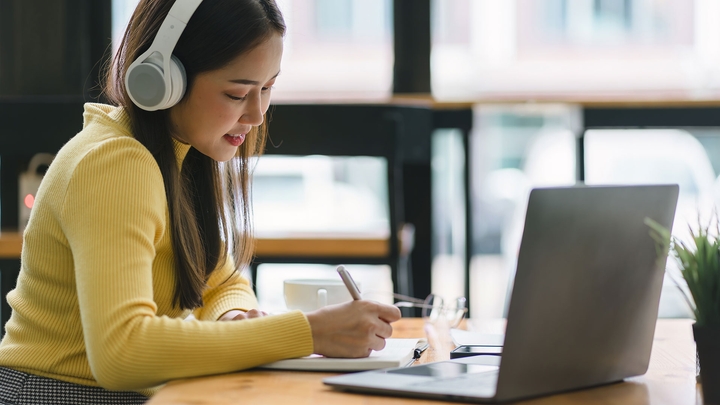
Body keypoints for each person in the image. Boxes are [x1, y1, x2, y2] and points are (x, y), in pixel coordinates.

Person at [0, 0, 401, 403]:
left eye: (267, 88)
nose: (258, 114)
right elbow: (121, 351)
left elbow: (218, 278)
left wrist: (233, 316)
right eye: (237, 93)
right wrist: (310, 332)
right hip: (55, 395)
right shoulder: (116, 163)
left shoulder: (177, 153)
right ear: (162, 79)